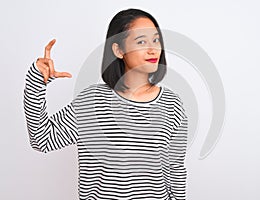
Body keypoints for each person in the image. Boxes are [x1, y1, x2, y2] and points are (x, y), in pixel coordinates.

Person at [23, 8, 188, 200]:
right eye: (141, 41)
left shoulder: (172, 105)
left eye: (156, 40)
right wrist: (37, 80)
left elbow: (175, 171)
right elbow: (42, 140)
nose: (152, 49)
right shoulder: (92, 102)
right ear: (118, 50)